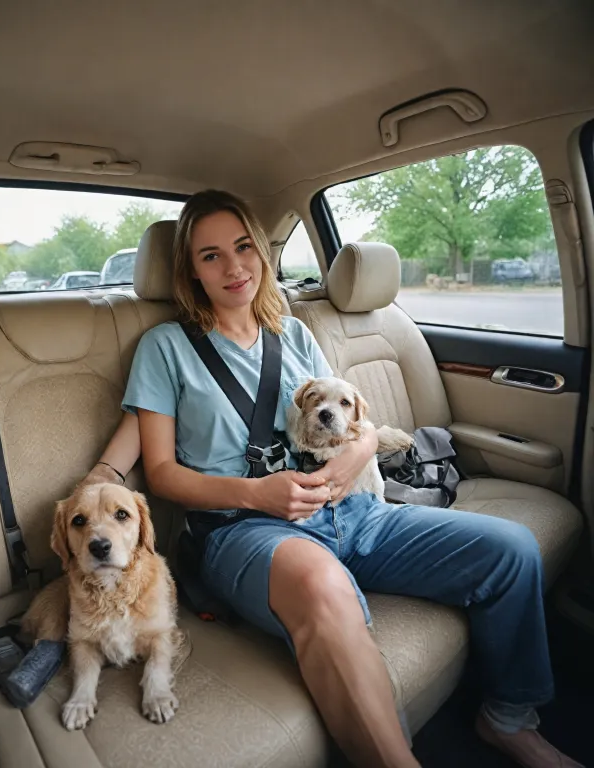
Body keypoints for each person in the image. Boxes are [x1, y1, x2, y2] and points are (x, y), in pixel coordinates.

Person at [91, 190, 581, 768]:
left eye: (244, 247)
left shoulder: (295, 335)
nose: (234, 267)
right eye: (210, 256)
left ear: (262, 253)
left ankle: (508, 718)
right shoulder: (167, 348)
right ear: (190, 270)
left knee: (510, 550)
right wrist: (256, 493)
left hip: (352, 511)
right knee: (323, 585)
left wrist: (357, 456)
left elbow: (358, 421)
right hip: (244, 529)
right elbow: (165, 474)